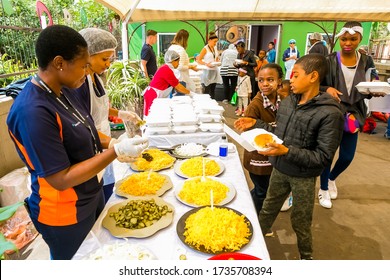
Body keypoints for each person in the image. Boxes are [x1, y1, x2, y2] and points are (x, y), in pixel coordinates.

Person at [6, 25, 149, 260]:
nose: (87, 72)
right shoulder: (32, 111)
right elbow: (60, 179)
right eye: (83, 66)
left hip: (89, 196)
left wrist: (113, 143)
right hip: (64, 213)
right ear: (60, 63)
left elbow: (87, 133)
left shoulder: (64, 91)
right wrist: (116, 152)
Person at [235, 54, 344, 259]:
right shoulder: (288, 103)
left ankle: (306, 256)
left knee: (300, 221)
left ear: (313, 77)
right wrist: (256, 124)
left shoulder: (330, 113)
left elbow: (323, 157)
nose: (290, 80)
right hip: (279, 168)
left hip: (302, 176)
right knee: (267, 209)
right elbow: (280, 135)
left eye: (295, 75)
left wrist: (287, 151)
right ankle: (248, 247)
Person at [318, 21, 387, 209]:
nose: (348, 43)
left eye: (353, 39)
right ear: (340, 38)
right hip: (331, 111)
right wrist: (328, 88)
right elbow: (317, 84)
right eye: (345, 39)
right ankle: (323, 189)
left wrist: (376, 88)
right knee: (327, 154)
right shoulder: (330, 60)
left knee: (347, 156)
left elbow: (373, 81)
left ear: (360, 39)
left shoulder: (366, 61)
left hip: (354, 113)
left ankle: (332, 178)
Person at [77, 27, 142, 203]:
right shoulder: (79, 84)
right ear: (87, 55)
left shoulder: (96, 77)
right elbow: (82, 125)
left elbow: (100, 107)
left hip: (104, 141)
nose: (108, 64)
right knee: (98, 192)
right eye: (104, 59)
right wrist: (114, 143)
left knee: (107, 187)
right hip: (92, 144)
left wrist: (121, 114)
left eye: (110, 59)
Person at [241, 63, 283, 213]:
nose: (265, 84)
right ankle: (255, 217)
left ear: (279, 81)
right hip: (257, 159)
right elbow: (248, 136)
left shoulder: (283, 100)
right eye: (261, 80)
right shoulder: (255, 106)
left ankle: (248, 206)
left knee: (263, 189)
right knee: (262, 190)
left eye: (270, 80)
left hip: (273, 156)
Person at [143, 50, 194, 116]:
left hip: (155, 94)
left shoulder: (167, 68)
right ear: (173, 61)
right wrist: (191, 93)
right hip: (153, 95)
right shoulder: (166, 69)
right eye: (178, 61)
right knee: (151, 117)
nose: (178, 64)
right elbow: (178, 87)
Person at [196, 31, 222, 99]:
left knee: (213, 90)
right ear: (209, 40)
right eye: (214, 41)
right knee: (207, 90)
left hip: (215, 70)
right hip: (207, 72)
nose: (215, 43)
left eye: (216, 42)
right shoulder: (205, 48)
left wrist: (217, 61)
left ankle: (213, 103)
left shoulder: (215, 48)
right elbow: (199, 60)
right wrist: (206, 64)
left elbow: (215, 57)